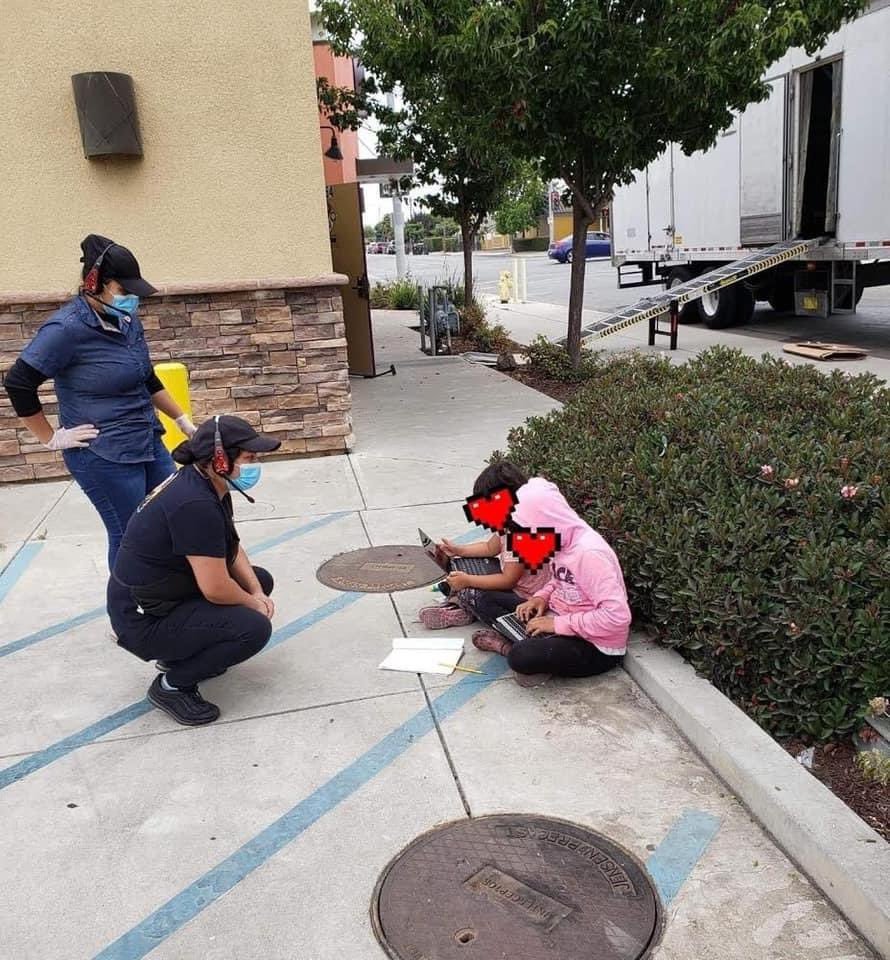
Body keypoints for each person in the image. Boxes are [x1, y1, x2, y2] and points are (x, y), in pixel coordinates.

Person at [3, 234, 196, 569]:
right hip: (103, 454)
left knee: (173, 516)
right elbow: (19, 383)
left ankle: (166, 602)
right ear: (95, 284)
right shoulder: (65, 329)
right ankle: (128, 614)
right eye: (124, 291)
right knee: (130, 535)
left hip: (145, 440)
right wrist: (51, 437)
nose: (133, 299)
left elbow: (145, 376)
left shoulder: (126, 320)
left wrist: (181, 419)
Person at [107, 415, 281, 725]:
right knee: (253, 628)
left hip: (162, 594)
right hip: (141, 620)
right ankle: (173, 684)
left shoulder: (207, 482)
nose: (255, 466)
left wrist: (255, 590)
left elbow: (229, 547)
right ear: (219, 459)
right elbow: (215, 587)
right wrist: (253, 604)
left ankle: (185, 650)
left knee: (260, 579)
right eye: (249, 458)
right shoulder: (194, 504)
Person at [471, 476, 632, 687]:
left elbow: (617, 617)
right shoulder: (560, 539)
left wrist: (557, 624)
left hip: (594, 645)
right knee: (485, 598)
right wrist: (540, 598)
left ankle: (512, 648)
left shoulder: (589, 554)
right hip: (559, 617)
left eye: (525, 531)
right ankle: (531, 643)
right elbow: (560, 580)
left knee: (521, 657)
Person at [418, 461, 550, 629]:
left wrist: (469, 580)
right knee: (460, 564)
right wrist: (459, 550)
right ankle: (461, 603)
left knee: (480, 597)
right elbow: (490, 548)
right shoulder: (510, 523)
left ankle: (464, 609)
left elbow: (508, 580)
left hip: (526, 598)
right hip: (512, 581)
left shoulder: (522, 535)